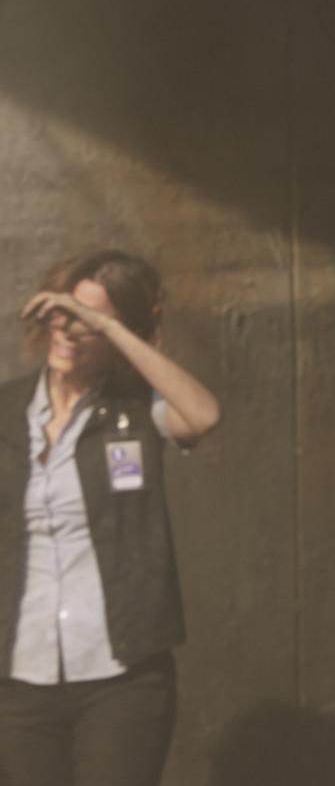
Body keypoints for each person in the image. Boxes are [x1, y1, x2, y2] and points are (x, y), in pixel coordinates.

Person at [0, 250, 221, 786]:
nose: (71, 331)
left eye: (91, 322)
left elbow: (203, 415)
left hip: (121, 676)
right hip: (19, 678)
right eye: (65, 312)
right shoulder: (7, 409)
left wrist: (112, 329)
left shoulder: (136, 408)